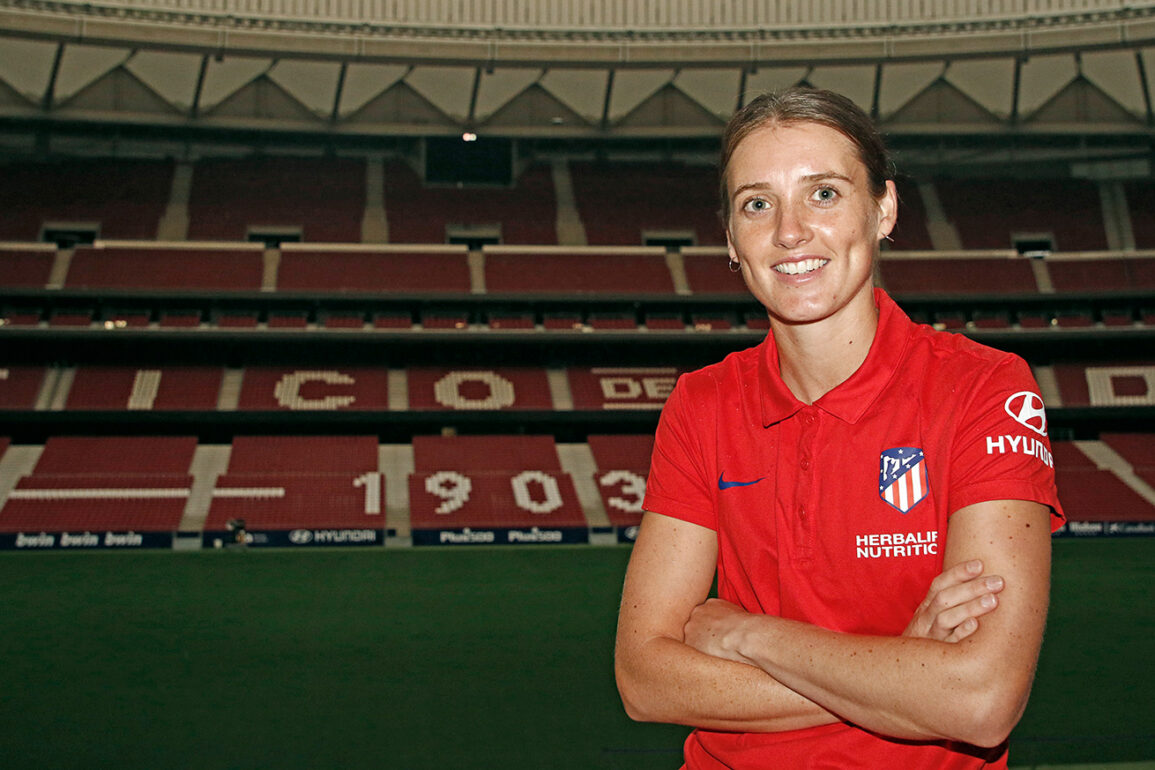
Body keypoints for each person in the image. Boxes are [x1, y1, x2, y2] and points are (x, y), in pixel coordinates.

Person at [614, 86, 1064, 769]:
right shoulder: (700, 403)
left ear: (882, 209)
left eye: (822, 193)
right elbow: (644, 682)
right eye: (755, 203)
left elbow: (979, 700)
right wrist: (903, 671)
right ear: (731, 240)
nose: (788, 231)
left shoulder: (985, 389)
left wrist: (747, 636)